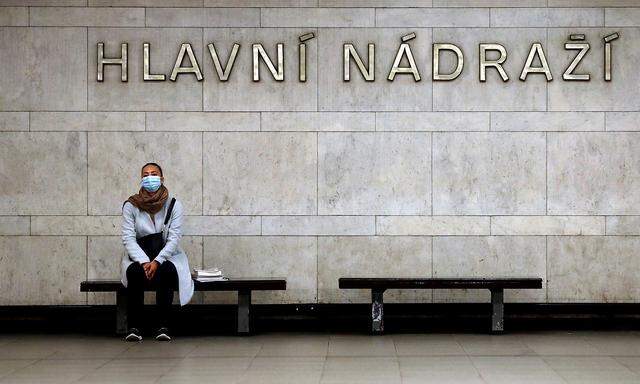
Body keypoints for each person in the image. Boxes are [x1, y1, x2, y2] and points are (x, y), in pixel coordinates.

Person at [120, 162, 194, 342]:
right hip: (139, 257)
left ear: (161, 178)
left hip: (167, 255)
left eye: (153, 174)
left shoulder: (174, 204)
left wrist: (157, 261)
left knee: (167, 270)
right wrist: (145, 262)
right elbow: (128, 238)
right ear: (141, 179)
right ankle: (135, 327)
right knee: (134, 272)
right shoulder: (131, 205)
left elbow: (174, 238)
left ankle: (163, 325)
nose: (149, 178)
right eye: (145, 175)